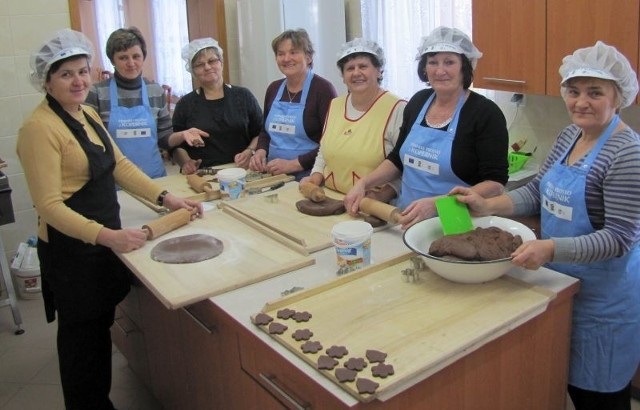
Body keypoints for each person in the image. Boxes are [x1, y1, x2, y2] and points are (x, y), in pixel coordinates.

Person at [16, 29, 202, 409]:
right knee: (81, 340)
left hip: (100, 239)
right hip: (73, 251)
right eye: (66, 74)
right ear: (47, 80)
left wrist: (166, 198)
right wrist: (109, 237)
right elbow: (49, 206)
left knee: (97, 331)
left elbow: (119, 165)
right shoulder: (39, 129)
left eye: (83, 71)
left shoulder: (84, 113)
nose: (78, 80)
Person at [451, 41, 640, 410]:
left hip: (603, 300)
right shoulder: (571, 135)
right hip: (560, 282)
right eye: (573, 91)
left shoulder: (627, 153)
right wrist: (489, 203)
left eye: (595, 92)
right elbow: (538, 192)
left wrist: (549, 247)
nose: (580, 102)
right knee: (558, 381)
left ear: (619, 97)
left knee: (598, 396)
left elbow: (618, 239)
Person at [344, 26, 509, 228]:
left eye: (449, 62)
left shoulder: (485, 114)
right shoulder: (418, 102)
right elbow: (397, 160)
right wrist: (364, 183)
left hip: (457, 223)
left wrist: (439, 204)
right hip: (405, 217)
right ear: (424, 68)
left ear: (464, 67)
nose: (440, 71)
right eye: (433, 62)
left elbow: (496, 184)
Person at [300, 38, 405, 202]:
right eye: (349, 68)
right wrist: (315, 177)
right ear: (343, 76)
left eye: (363, 66)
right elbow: (324, 151)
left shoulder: (398, 108)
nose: (356, 73)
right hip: (329, 199)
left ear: (379, 70)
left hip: (371, 205)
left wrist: (384, 194)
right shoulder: (335, 104)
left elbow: (403, 164)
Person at [163, 37, 263, 175]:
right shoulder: (185, 104)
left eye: (212, 61)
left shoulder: (243, 96)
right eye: (199, 64)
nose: (207, 67)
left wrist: (250, 151)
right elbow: (175, 145)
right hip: (203, 174)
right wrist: (186, 162)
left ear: (221, 62)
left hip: (242, 171)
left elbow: (260, 132)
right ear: (193, 71)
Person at [249, 29, 337, 180]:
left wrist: (294, 164)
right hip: (274, 174)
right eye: (280, 53)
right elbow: (265, 131)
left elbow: (331, 142)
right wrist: (260, 151)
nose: (286, 58)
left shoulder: (323, 89)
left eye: (293, 52)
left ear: (308, 57)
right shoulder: (273, 88)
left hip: (310, 176)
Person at [85, 27, 170, 178]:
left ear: (143, 57)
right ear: (112, 60)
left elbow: (164, 136)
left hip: (155, 178)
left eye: (136, 56)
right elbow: (89, 142)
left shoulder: (155, 91)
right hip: (114, 180)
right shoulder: (96, 93)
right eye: (123, 57)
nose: (131, 63)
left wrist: (183, 136)